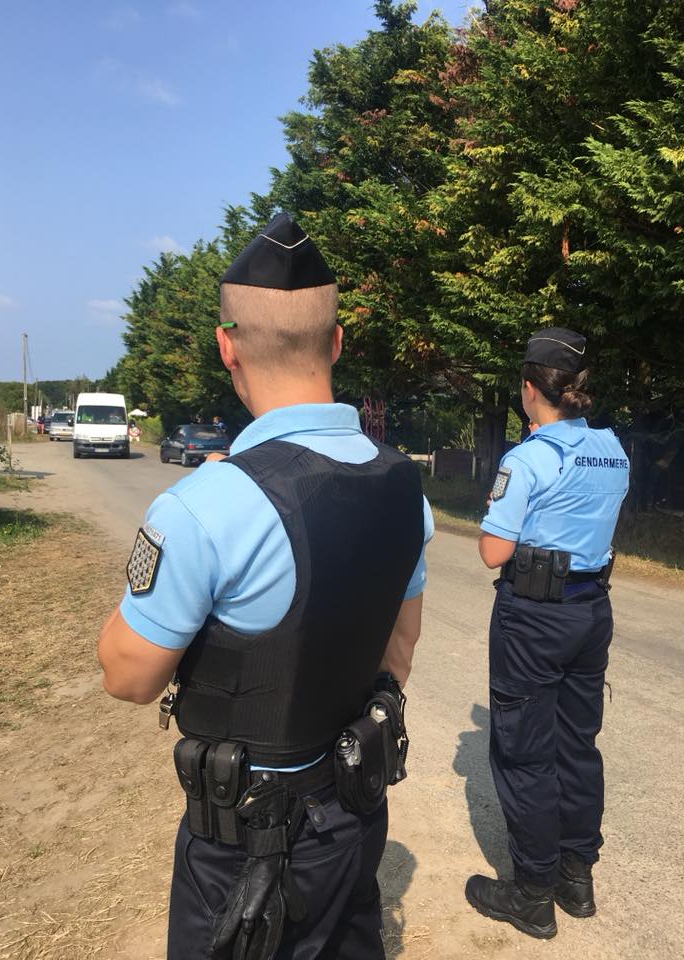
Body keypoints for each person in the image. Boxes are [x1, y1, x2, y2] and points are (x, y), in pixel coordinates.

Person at [97, 212, 433, 960]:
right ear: (336, 341)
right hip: (355, 812)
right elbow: (400, 651)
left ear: (227, 346)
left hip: (248, 852)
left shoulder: (204, 506)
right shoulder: (403, 486)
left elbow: (128, 677)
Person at [465, 327, 629, 939]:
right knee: (577, 744)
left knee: (526, 753)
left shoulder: (528, 458)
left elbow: (492, 552)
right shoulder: (613, 450)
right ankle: (575, 876)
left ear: (531, 388)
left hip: (534, 618)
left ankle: (532, 892)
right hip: (591, 610)